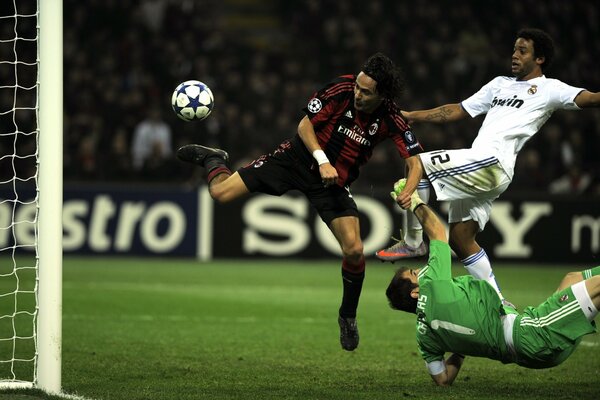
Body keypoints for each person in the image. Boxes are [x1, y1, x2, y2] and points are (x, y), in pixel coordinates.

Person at [176, 53, 426, 351]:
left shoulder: (391, 117)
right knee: (219, 194)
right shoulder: (341, 89)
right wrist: (322, 159)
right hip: (295, 160)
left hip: (332, 184)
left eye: (366, 92)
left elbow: (414, 161)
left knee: (355, 250)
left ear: (382, 95)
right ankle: (214, 157)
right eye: (358, 87)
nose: (358, 94)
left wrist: (409, 190)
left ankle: (347, 316)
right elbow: (305, 126)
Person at [377, 28, 600, 301]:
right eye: (514, 49)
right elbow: (458, 109)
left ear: (540, 58)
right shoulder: (499, 84)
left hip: (493, 162)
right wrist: (413, 115)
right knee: (460, 239)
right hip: (481, 165)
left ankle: (413, 242)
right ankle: (499, 305)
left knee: (418, 162)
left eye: (523, 51)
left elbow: (589, 98)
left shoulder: (550, 88)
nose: (514, 55)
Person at [385, 182, 599, 386]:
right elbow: (437, 231)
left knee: (572, 279)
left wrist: (460, 349)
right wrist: (413, 201)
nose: (420, 271)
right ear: (415, 293)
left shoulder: (424, 337)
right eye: (414, 273)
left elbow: (442, 379)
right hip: (535, 336)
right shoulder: (432, 288)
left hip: (529, 353)